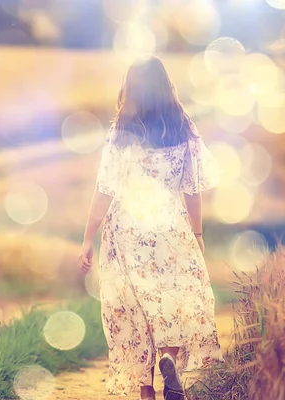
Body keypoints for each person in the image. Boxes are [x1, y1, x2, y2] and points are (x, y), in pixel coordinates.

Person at [79, 56, 224, 400]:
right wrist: (198, 234)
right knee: (172, 297)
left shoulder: (123, 128)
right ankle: (169, 357)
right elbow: (192, 186)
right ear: (165, 84)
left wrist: (87, 238)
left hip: (127, 226)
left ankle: (146, 392)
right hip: (169, 224)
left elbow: (105, 189)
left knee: (132, 307)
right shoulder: (181, 124)